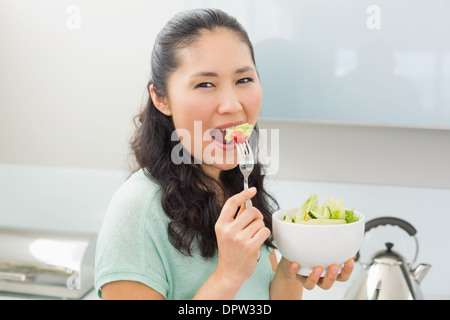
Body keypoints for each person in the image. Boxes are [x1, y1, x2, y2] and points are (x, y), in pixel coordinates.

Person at [94, 8, 354, 300]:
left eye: (243, 80)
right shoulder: (137, 211)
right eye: (205, 84)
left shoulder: (241, 187)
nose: (231, 105)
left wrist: (293, 269)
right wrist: (228, 276)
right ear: (161, 99)